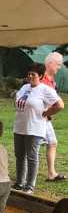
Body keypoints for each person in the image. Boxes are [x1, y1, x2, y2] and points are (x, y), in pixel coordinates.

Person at [13, 63, 64, 194]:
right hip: (19, 127)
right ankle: (19, 183)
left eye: (33, 74)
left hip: (34, 129)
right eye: (29, 73)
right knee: (19, 156)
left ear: (41, 76)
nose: (30, 76)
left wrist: (46, 113)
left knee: (31, 157)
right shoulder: (24, 87)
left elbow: (60, 105)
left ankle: (29, 186)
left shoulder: (45, 90)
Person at [43, 52, 65, 182]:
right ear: (50, 64)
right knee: (31, 148)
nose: (59, 67)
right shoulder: (41, 79)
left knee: (52, 143)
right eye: (58, 64)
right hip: (39, 119)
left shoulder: (52, 81)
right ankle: (25, 175)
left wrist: (49, 113)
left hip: (46, 119)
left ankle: (51, 173)